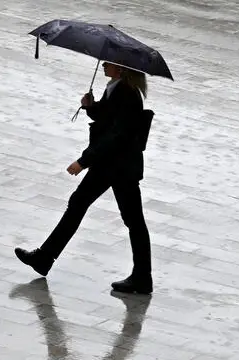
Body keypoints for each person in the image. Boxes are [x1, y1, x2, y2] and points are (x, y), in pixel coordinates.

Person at [14, 61, 154, 294]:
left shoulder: (127, 93)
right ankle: (44, 258)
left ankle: (142, 277)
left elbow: (116, 136)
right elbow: (110, 119)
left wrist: (83, 161)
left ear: (121, 68)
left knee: (132, 220)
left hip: (117, 167)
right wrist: (91, 107)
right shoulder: (117, 88)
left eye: (108, 63)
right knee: (82, 205)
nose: (103, 65)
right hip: (113, 164)